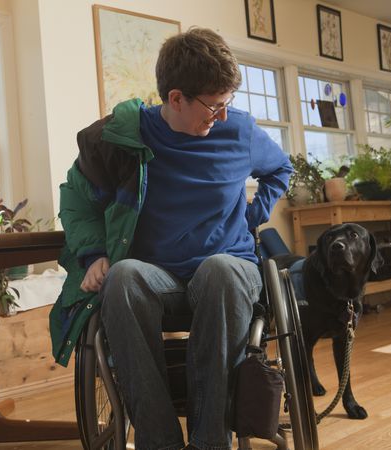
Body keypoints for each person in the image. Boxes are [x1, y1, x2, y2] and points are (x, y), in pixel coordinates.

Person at [50, 27, 292, 450]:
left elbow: (279, 169)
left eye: (226, 104)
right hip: (157, 278)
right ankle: (158, 441)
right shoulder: (122, 137)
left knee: (220, 270)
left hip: (227, 273)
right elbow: (76, 199)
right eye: (213, 106)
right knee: (123, 278)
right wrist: (92, 255)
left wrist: (252, 214)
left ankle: (210, 441)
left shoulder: (240, 132)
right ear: (175, 98)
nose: (221, 117)